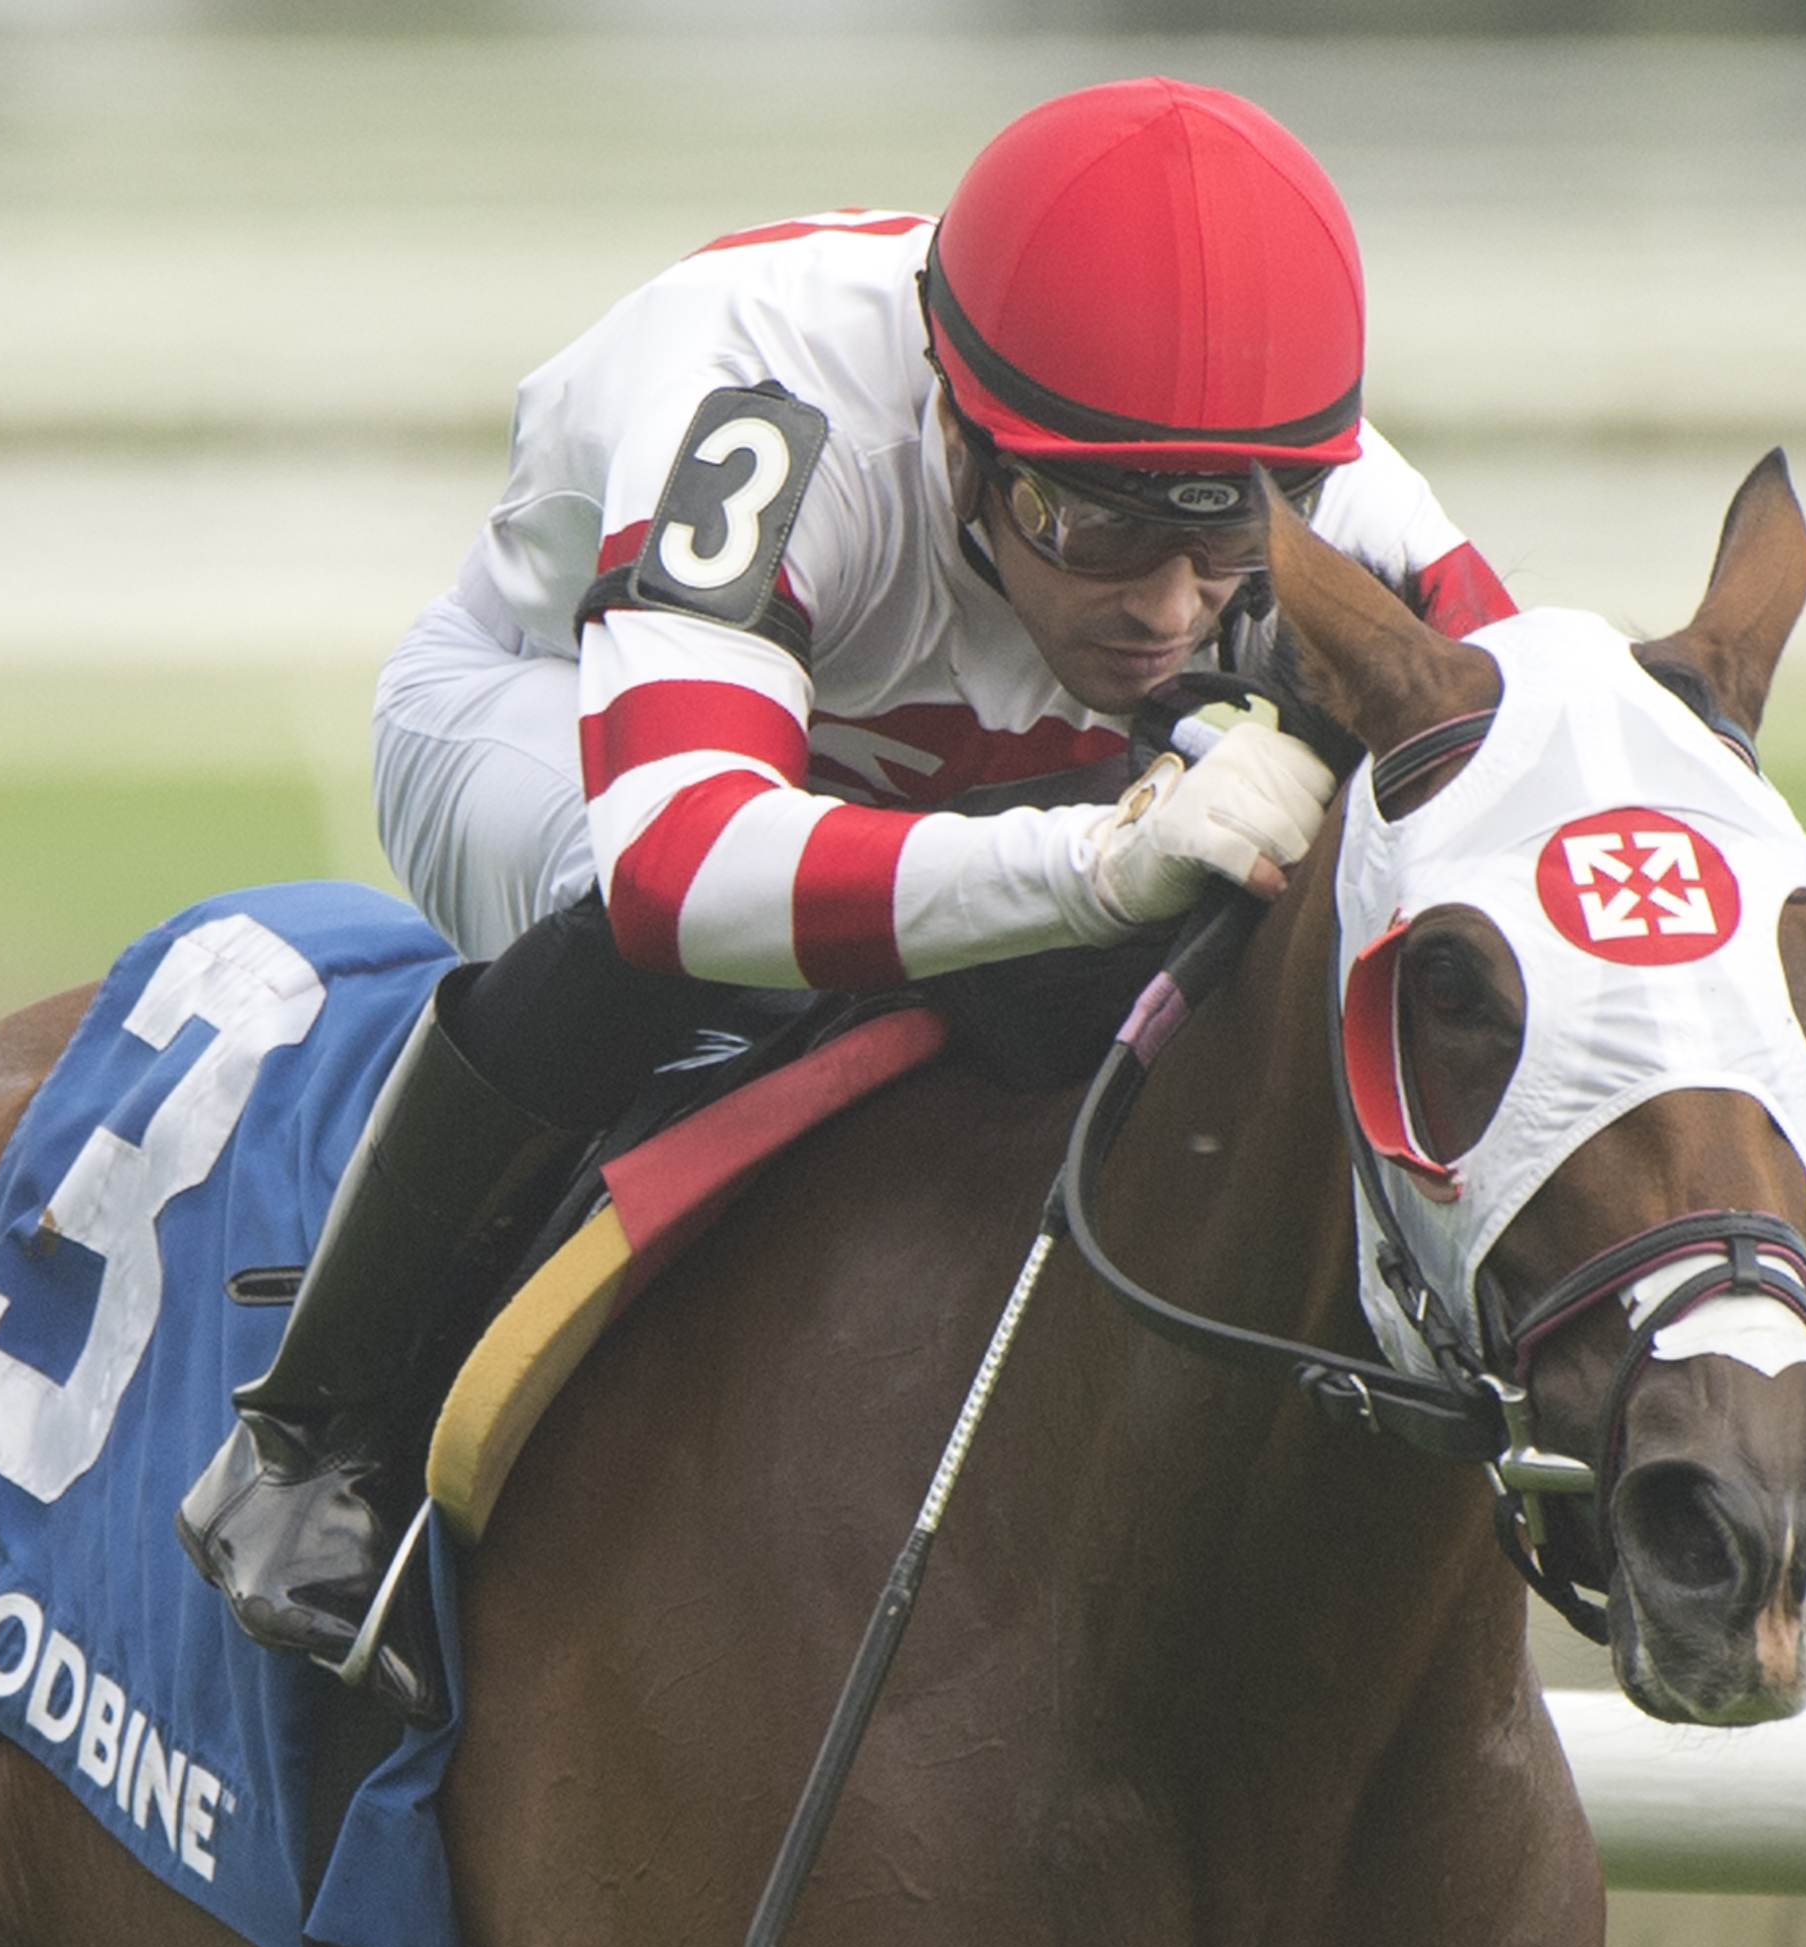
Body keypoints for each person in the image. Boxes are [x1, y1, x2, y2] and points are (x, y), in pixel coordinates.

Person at [181, 77, 1519, 1695]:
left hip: (898, 785)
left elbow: (1522, 758)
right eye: (1089, 522)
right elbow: (684, 864)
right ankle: (320, 1427)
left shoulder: (1305, 475)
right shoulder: (768, 398)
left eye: (1232, 529)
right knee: (681, 937)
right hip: (549, 724)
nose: (1167, 605)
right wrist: (1094, 859)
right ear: (958, 419)